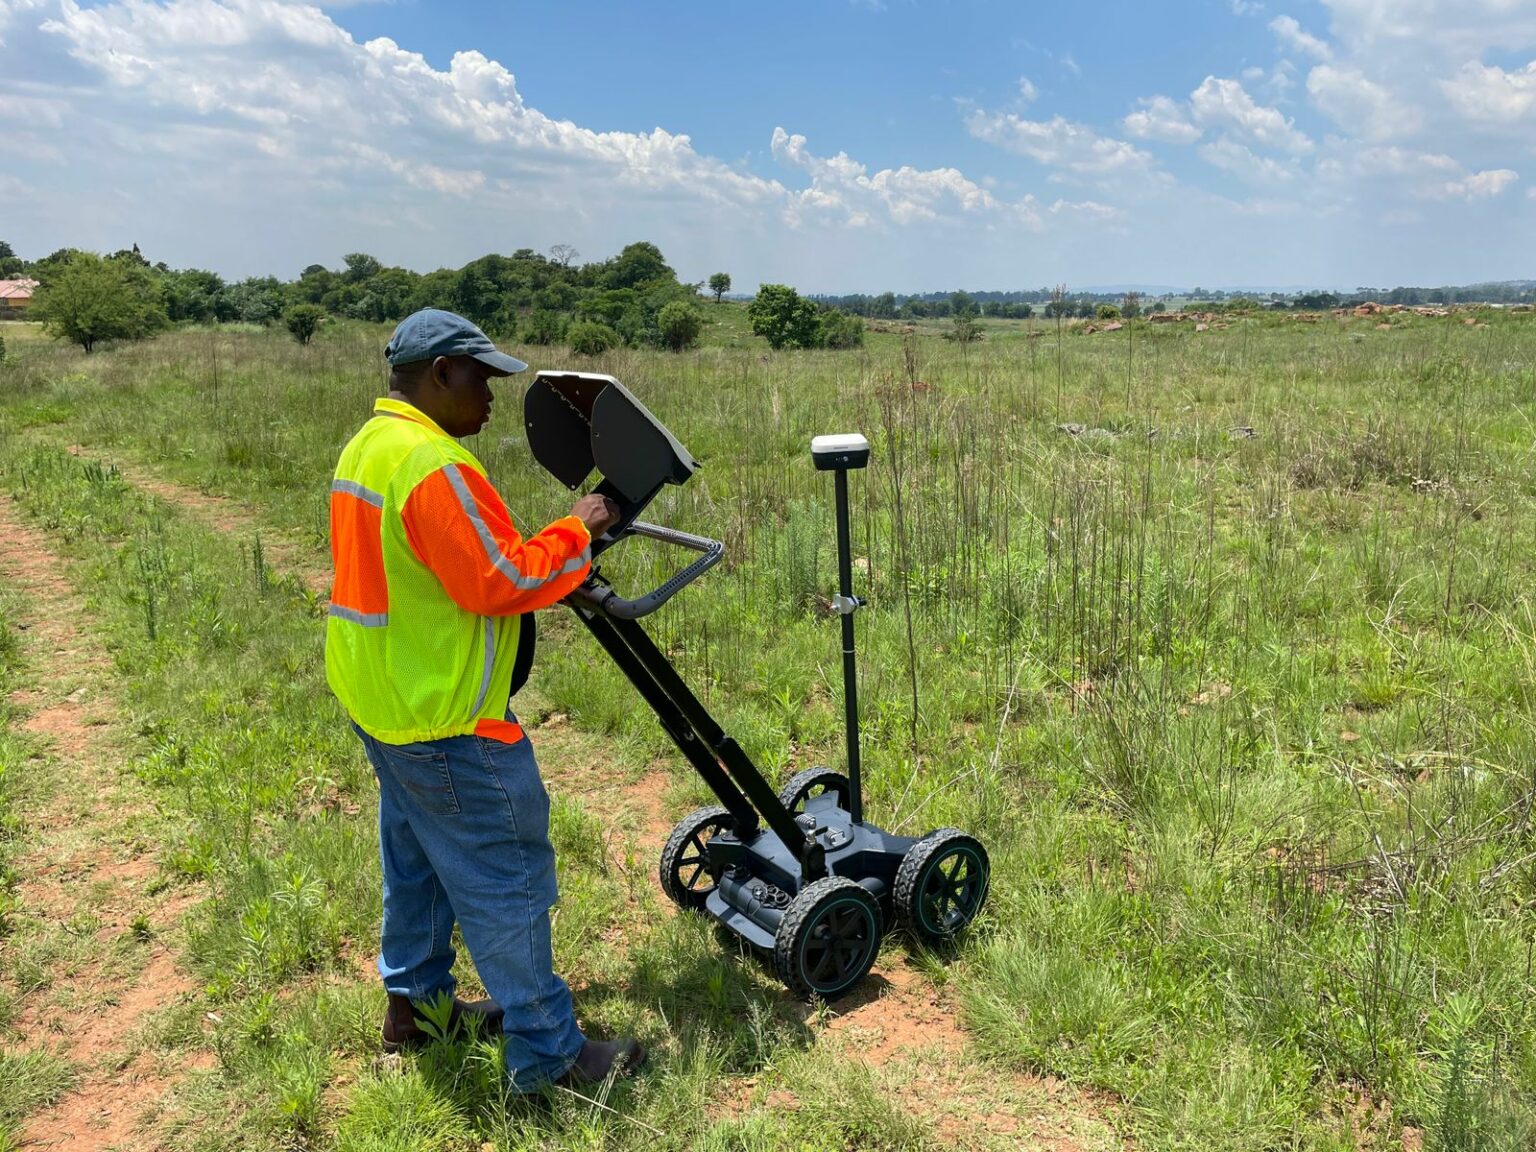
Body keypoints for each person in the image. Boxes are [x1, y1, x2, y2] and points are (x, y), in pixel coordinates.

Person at [325, 308, 644, 1093]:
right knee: (505, 877)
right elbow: (502, 582)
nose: (495, 396)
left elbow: (461, 565)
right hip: (444, 716)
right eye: (482, 377)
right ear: (439, 374)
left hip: (384, 700)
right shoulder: (434, 466)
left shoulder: (371, 446)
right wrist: (577, 529)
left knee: (420, 862)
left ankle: (417, 1010)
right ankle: (551, 1057)